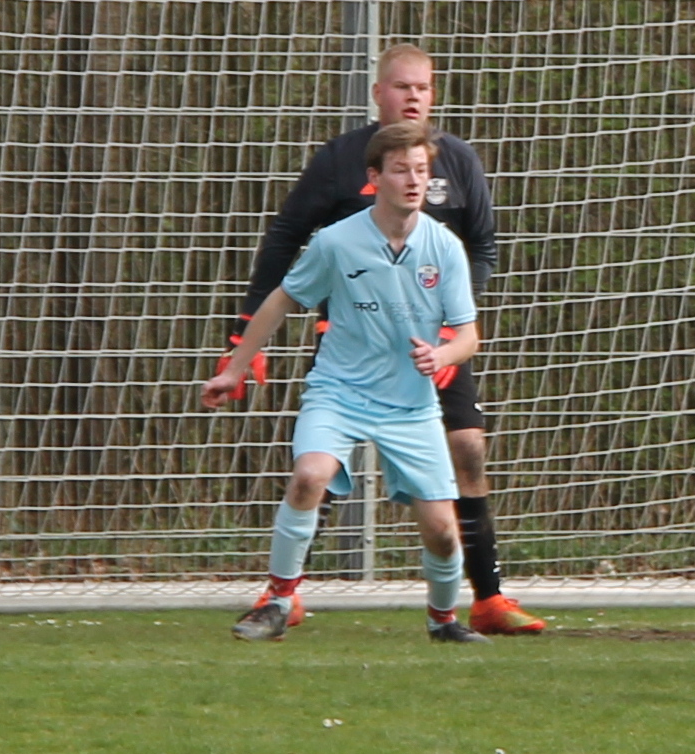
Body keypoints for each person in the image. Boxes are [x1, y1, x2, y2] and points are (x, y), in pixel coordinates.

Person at [231, 43, 539, 632]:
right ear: (380, 95)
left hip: (429, 351)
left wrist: (449, 338)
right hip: (352, 347)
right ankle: (283, 593)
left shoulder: (455, 177)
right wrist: (243, 342)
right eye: (402, 87)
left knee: (468, 456)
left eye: (423, 87)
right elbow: (287, 244)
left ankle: (485, 599)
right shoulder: (341, 169)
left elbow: (484, 247)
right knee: (314, 472)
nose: (413, 96)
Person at [206, 122, 491, 644]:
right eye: (401, 169)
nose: (413, 180)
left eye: (422, 171)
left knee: (444, 535)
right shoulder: (337, 242)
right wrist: (235, 366)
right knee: (309, 478)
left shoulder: (445, 247)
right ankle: (277, 601)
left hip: (410, 405)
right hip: (339, 391)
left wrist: (443, 352)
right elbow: (283, 298)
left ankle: (443, 621)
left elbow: (469, 336)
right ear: (374, 177)